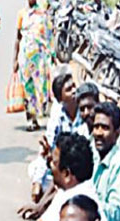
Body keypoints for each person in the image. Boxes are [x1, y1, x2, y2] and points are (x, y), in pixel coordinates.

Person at [25, 67, 83, 211]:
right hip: (62, 163)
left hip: (80, 165)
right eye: (69, 90)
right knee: (36, 169)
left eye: (74, 86)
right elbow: (48, 145)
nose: (74, 91)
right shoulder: (58, 115)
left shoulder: (84, 111)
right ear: (60, 99)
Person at [12, 0, 54, 131]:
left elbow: (49, 36)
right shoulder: (21, 14)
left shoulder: (43, 14)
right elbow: (18, 37)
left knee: (40, 87)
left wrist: (52, 54)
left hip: (40, 58)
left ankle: (39, 116)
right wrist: (15, 59)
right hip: (25, 58)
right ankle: (31, 119)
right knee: (27, 88)